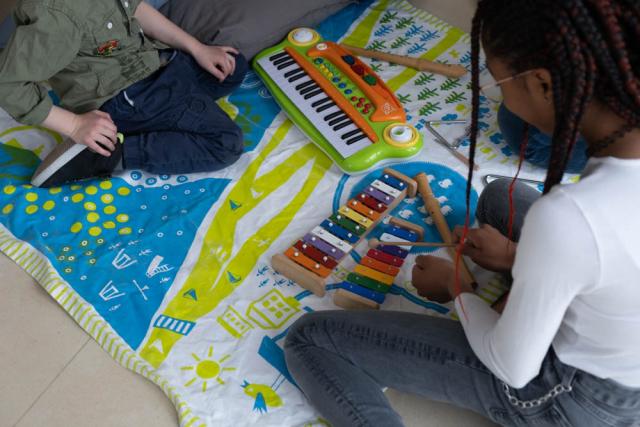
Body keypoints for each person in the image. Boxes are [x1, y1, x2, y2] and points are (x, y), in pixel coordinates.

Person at [284, 1, 640, 426]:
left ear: (544, 84)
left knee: (312, 340)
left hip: (580, 394)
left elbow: (513, 366)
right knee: (498, 198)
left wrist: (458, 288)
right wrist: (514, 258)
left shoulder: (569, 216)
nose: (497, 91)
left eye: (498, 77)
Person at [0, 0, 247, 188]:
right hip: (127, 97)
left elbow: (135, 8)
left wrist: (198, 48)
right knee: (226, 144)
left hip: (154, 64)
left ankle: (166, 120)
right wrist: (75, 125)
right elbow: (6, 84)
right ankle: (108, 153)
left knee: (233, 65)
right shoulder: (56, 16)